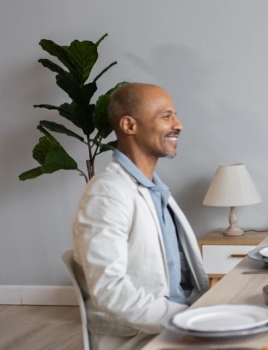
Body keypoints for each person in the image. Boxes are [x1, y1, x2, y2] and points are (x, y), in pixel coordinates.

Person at [72, 83, 209, 349]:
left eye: (175, 115)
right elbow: (109, 289)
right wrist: (189, 320)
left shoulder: (154, 190)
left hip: (179, 321)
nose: (178, 125)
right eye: (166, 116)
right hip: (146, 336)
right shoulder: (107, 193)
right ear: (129, 126)